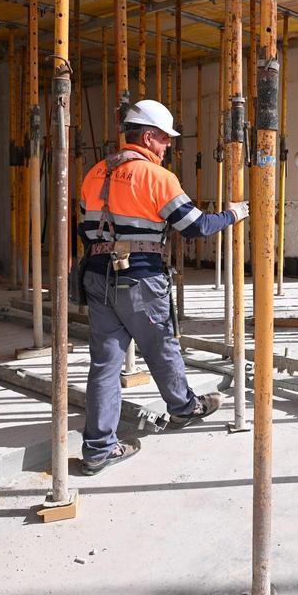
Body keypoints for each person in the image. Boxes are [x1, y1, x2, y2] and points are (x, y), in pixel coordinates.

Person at [77, 99, 249, 476]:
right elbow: (196, 227)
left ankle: (98, 448)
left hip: (97, 275)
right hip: (139, 278)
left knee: (105, 364)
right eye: (165, 139)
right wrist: (234, 213)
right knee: (161, 346)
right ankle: (184, 408)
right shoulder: (157, 177)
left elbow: (82, 228)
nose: (168, 146)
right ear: (150, 136)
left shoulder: (94, 172)